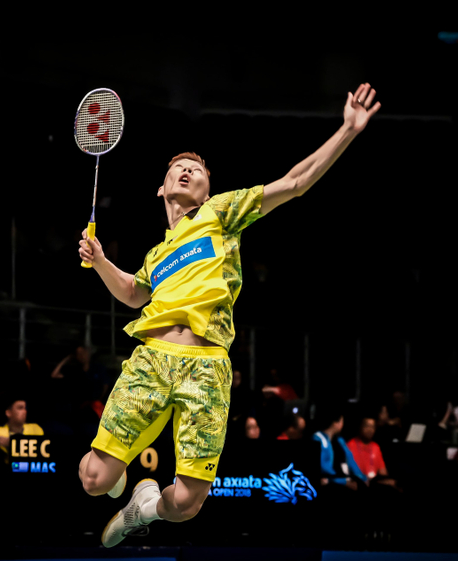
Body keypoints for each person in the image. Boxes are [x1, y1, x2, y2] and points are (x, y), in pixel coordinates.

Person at [77, 83, 381, 547]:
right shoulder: (156, 254)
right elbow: (135, 294)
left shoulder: (219, 215)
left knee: (186, 505)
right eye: (178, 168)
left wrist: (348, 130)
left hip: (207, 368)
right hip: (152, 361)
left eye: (196, 170)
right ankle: (118, 476)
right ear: (161, 187)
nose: (186, 170)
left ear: (207, 190)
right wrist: (100, 260)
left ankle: (144, 508)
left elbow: (294, 183)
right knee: (93, 480)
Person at [313, 413, 366, 489]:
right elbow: (325, 469)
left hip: (345, 479)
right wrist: (344, 482)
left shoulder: (340, 440)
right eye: (342, 421)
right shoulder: (318, 439)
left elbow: (351, 460)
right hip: (333, 483)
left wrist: (362, 478)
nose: (342, 424)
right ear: (335, 423)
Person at [347, 417, 392, 484]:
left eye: (372, 427)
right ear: (360, 427)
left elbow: (383, 472)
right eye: (367, 426)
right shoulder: (350, 445)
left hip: (373, 483)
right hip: (357, 483)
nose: (370, 430)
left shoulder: (376, 447)